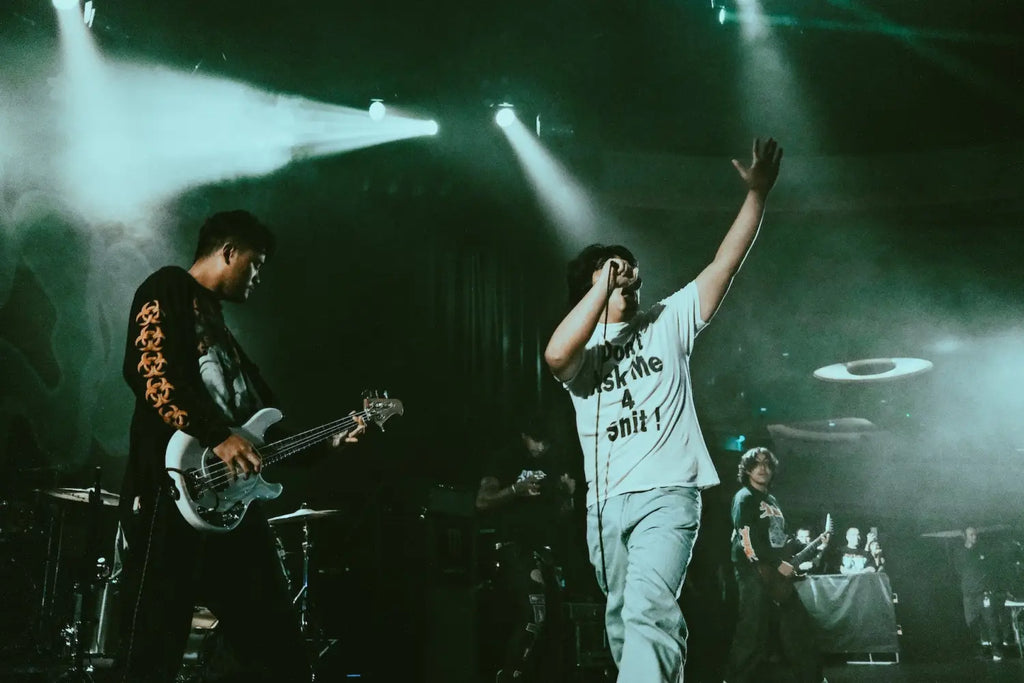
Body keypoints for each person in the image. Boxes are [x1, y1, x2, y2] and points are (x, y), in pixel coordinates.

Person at [544, 137, 783, 681]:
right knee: (624, 626)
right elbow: (556, 353)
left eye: (629, 270)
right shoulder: (581, 355)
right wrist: (602, 281)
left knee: (650, 611)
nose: (626, 276)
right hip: (604, 505)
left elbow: (726, 262)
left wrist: (757, 195)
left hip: (668, 495)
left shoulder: (667, 320)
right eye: (612, 271)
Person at [116, 210, 363, 682]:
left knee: (280, 649)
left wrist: (328, 443)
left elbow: (262, 438)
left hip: (232, 509)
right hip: (171, 497)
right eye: (256, 263)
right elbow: (148, 371)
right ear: (229, 252)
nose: (257, 277)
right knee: (150, 650)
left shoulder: (223, 336)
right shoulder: (167, 287)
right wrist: (217, 436)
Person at [475, 413, 578, 682]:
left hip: (544, 548)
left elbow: (564, 514)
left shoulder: (553, 461)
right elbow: (482, 501)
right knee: (535, 611)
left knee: (554, 620)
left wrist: (567, 495)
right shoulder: (506, 459)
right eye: (536, 441)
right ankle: (509, 676)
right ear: (524, 436)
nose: (541, 447)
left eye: (545, 442)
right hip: (513, 545)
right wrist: (514, 490)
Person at [725, 447, 824, 683]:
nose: (762, 469)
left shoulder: (771, 500)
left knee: (798, 629)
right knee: (752, 634)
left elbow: (782, 537)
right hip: (754, 573)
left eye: (767, 464)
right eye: (757, 464)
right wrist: (768, 566)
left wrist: (809, 544)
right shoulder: (744, 497)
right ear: (747, 469)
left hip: (778, 572)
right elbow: (745, 538)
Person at [952, 526, 1011, 660]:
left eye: (975, 534)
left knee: (991, 620)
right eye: (971, 534)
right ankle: (981, 651)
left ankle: (997, 650)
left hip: (983, 593)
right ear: (964, 536)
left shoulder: (982, 551)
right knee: (972, 623)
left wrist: (988, 587)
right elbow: (958, 571)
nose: (974, 537)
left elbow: (990, 569)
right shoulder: (959, 552)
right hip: (968, 595)